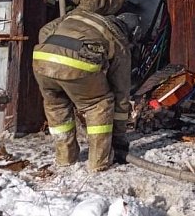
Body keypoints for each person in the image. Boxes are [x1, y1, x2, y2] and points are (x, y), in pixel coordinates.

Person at [32, 11, 140, 171]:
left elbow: (45, 30)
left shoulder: (80, 15)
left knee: (56, 106)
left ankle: (65, 158)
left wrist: (53, 54)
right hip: (76, 65)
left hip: (42, 61)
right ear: (132, 33)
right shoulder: (119, 39)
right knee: (99, 104)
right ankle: (99, 162)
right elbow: (121, 91)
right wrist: (118, 135)